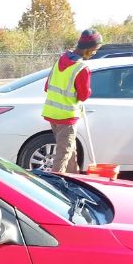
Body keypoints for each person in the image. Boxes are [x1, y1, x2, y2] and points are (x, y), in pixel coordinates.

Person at [41, 28, 102, 173]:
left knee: (70, 149)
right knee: (64, 153)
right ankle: (55, 184)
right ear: (89, 48)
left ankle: (74, 178)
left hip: (52, 114)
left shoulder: (61, 60)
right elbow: (83, 96)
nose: (94, 53)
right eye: (95, 49)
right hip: (66, 117)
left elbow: (46, 86)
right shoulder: (81, 68)